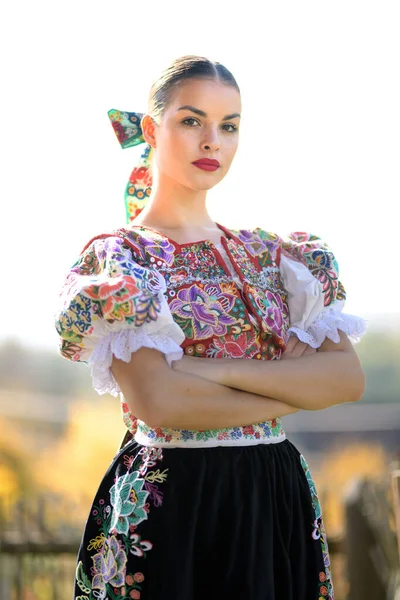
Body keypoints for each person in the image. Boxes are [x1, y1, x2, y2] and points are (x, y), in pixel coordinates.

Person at [55, 55, 366, 600]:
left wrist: (201, 367)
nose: (211, 142)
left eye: (228, 126)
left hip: (274, 498)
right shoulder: (123, 260)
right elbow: (161, 403)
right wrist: (286, 390)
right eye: (192, 121)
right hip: (173, 503)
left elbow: (345, 380)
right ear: (152, 130)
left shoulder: (277, 256)